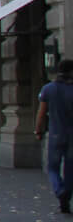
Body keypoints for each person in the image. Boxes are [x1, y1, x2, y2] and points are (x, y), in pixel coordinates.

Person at [36, 59, 73, 214]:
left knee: (52, 167)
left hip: (56, 134)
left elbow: (41, 113)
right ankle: (66, 195)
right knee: (71, 168)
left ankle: (59, 190)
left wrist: (38, 130)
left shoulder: (48, 89)